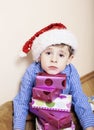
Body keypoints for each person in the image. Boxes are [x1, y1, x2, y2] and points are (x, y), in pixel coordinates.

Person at [13, 23, 94, 130]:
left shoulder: (70, 71)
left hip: (64, 117)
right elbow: (21, 101)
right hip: (43, 119)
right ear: (39, 55)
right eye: (48, 53)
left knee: (86, 104)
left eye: (61, 55)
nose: (54, 60)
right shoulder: (33, 71)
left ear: (69, 59)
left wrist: (89, 126)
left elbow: (79, 98)